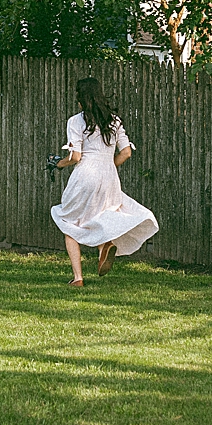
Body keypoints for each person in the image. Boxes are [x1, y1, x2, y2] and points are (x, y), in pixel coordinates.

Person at [49, 77, 158, 286]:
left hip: (85, 174)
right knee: (101, 215)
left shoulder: (76, 121)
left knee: (68, 220)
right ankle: (105, 246)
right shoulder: (114, 121)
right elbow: (126, 153)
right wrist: (108, 166)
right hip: (109, 175)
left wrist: (59, 164)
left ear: (81, 99)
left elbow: (76, 157)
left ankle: (78, 278)